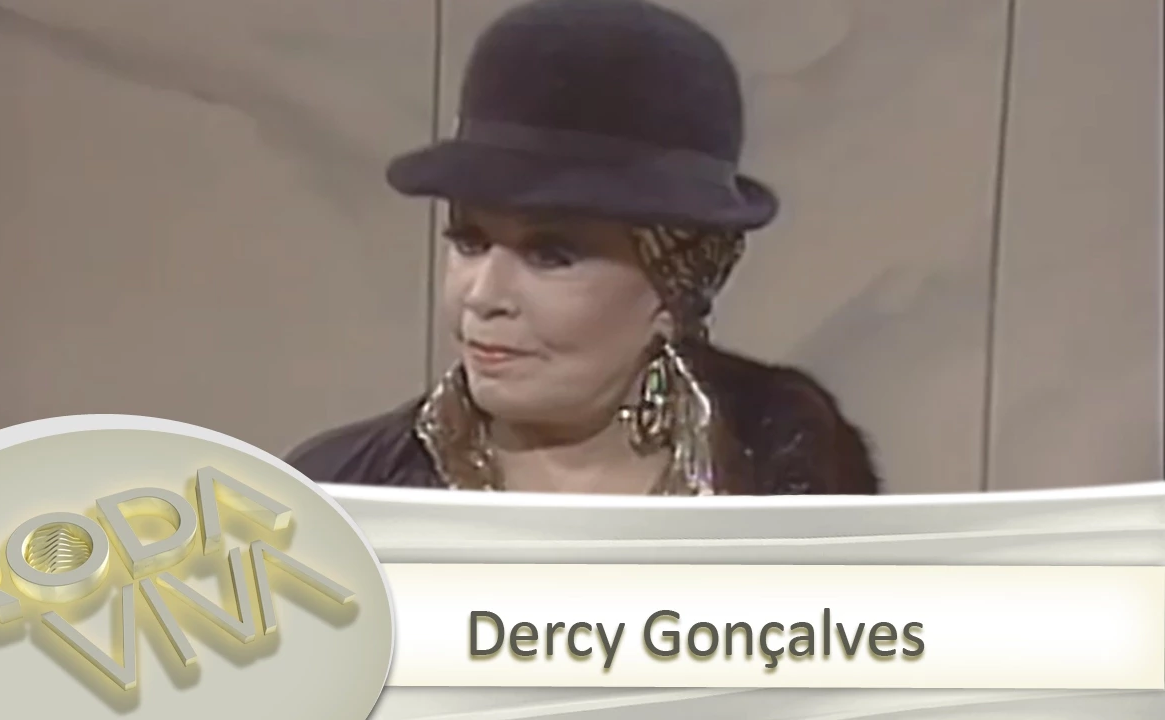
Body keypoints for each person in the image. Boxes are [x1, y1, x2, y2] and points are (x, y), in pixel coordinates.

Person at [287, 0, 881, 495]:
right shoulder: (336, 496)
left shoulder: (790, 476)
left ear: (676, 287)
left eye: (551, 256)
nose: (483, 297)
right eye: (470, 242)